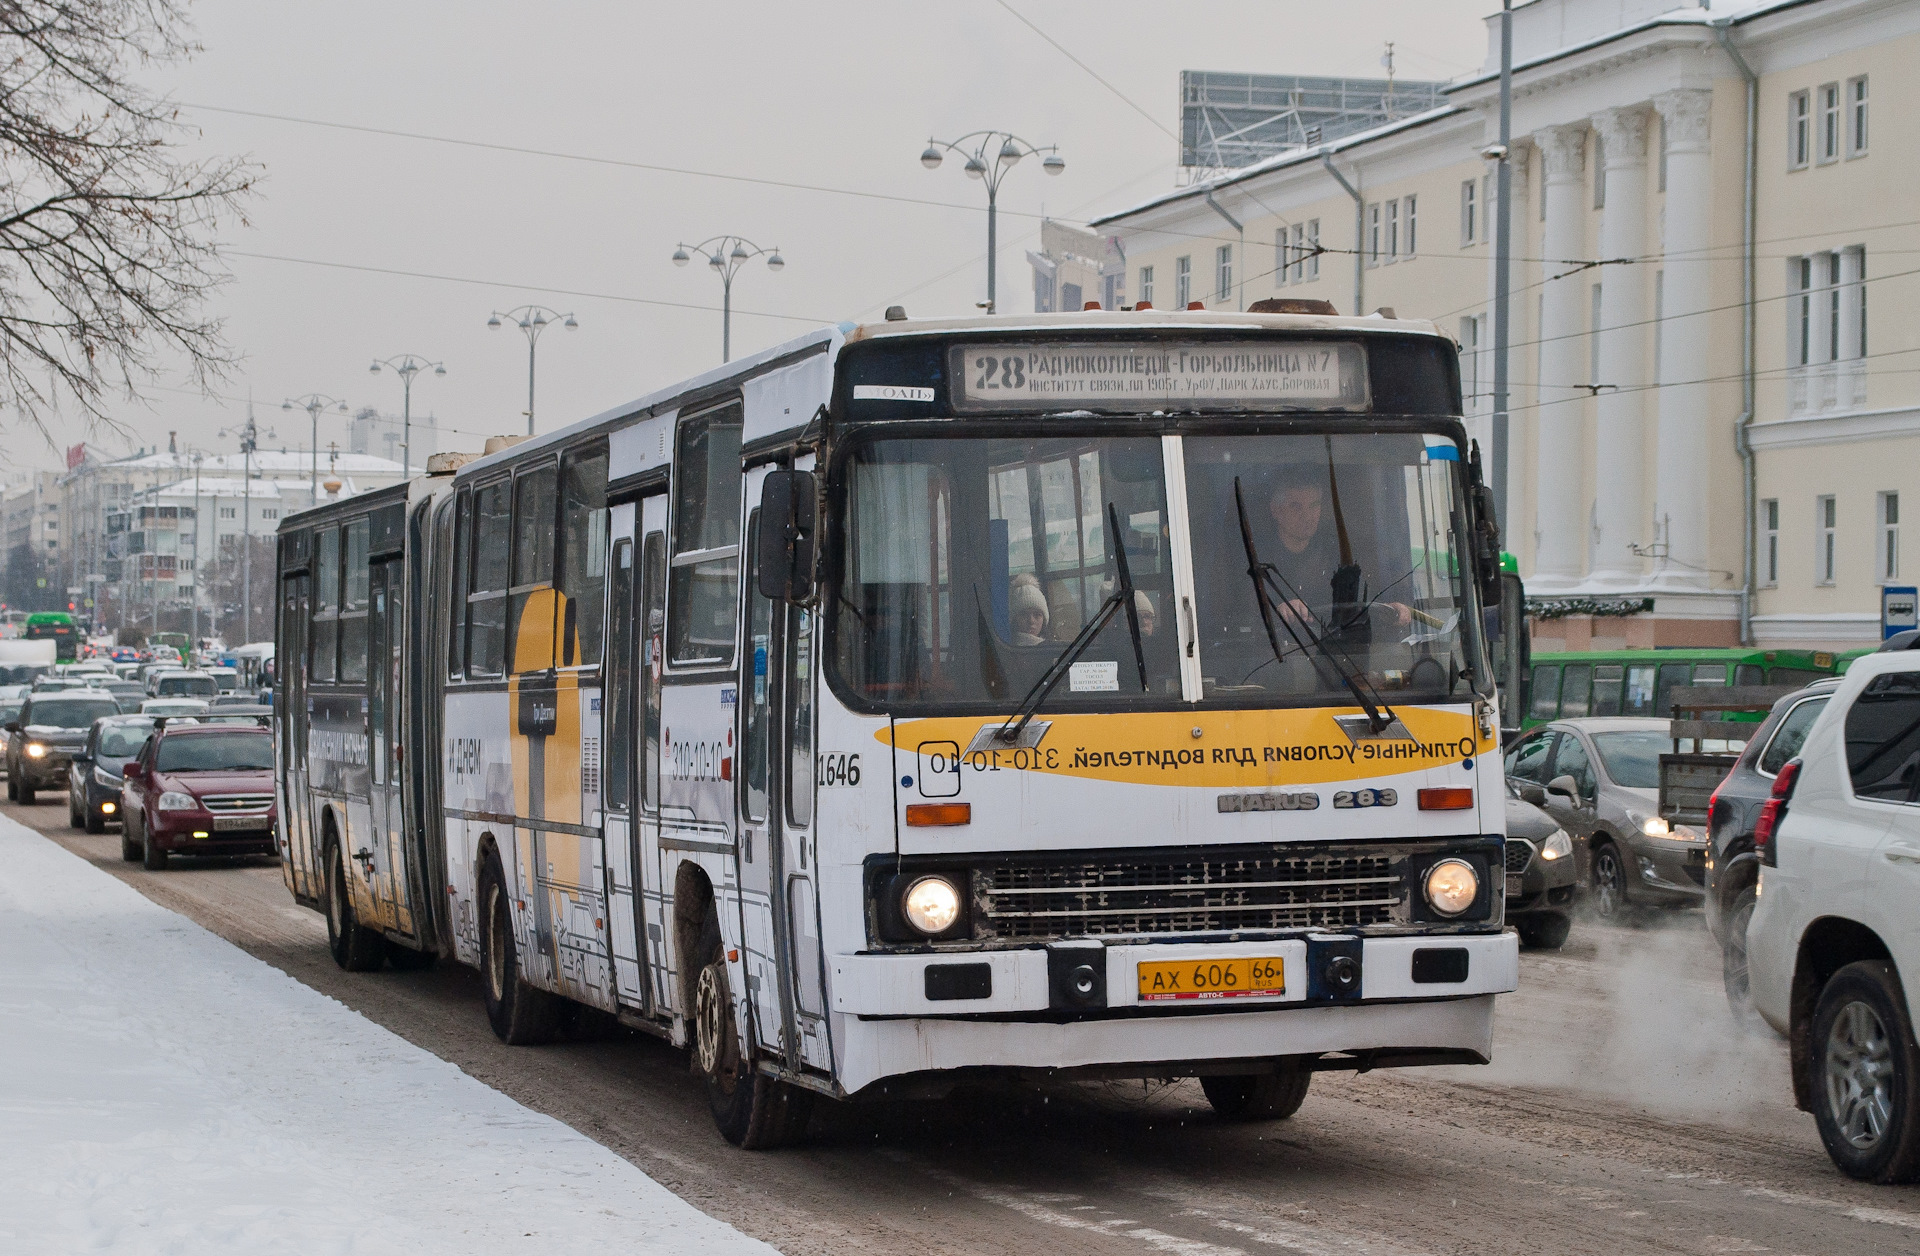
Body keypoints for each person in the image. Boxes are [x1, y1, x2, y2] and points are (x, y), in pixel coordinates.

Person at [1267, 466, 1411, 630]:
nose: (1307, 516)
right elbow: (1248, 610)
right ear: (1276, 510)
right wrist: (1278, 610)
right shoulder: (1260, 559)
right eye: (1296, 506)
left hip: (1337, 649)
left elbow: (1362, 598)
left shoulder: (1336, 551)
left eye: (1314, 505)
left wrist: (1391, 609)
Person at [1009, 574, 1049, 646]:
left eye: (1037, 615)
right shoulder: (1007, 649)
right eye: (1024, 614)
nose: (1031, 621)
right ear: (1014, 619)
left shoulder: (1051, 650)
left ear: (1044, 619)